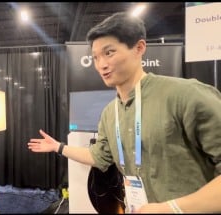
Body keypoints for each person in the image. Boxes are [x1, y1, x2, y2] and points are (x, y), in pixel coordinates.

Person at [27, 12, 221, 213]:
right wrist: (58, 147)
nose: (101, 64)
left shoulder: (185, 95)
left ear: (139, 48)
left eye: (109, 52)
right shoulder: (110, 113)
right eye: (95, 57)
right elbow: (99, 157)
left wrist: (172, 208)